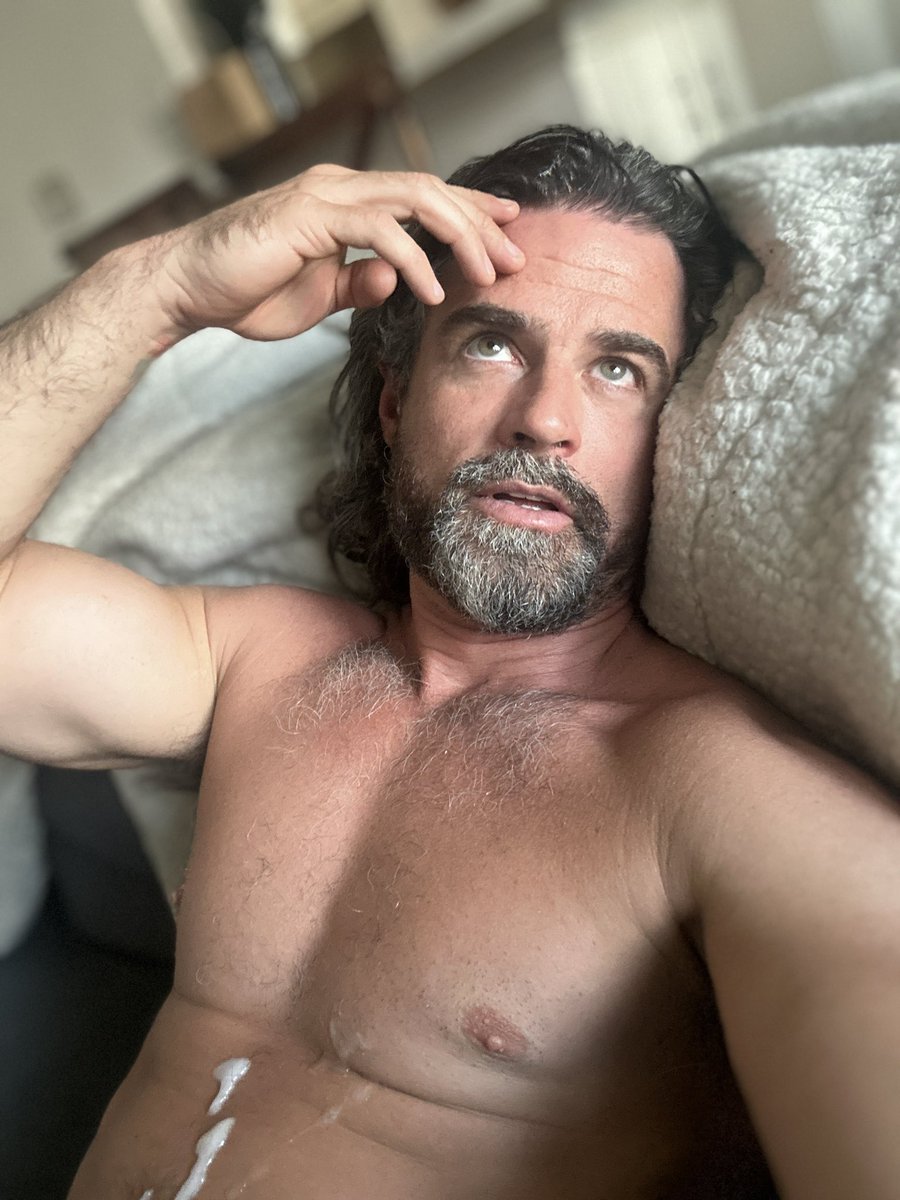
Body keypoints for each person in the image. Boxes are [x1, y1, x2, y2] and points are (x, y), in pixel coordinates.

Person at [1, 125, 898, 1200]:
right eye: (492, 346)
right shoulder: (260, 661)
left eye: (618, 370)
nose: (546, 420)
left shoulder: (713, 796)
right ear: (395, 404)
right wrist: (157, 287)